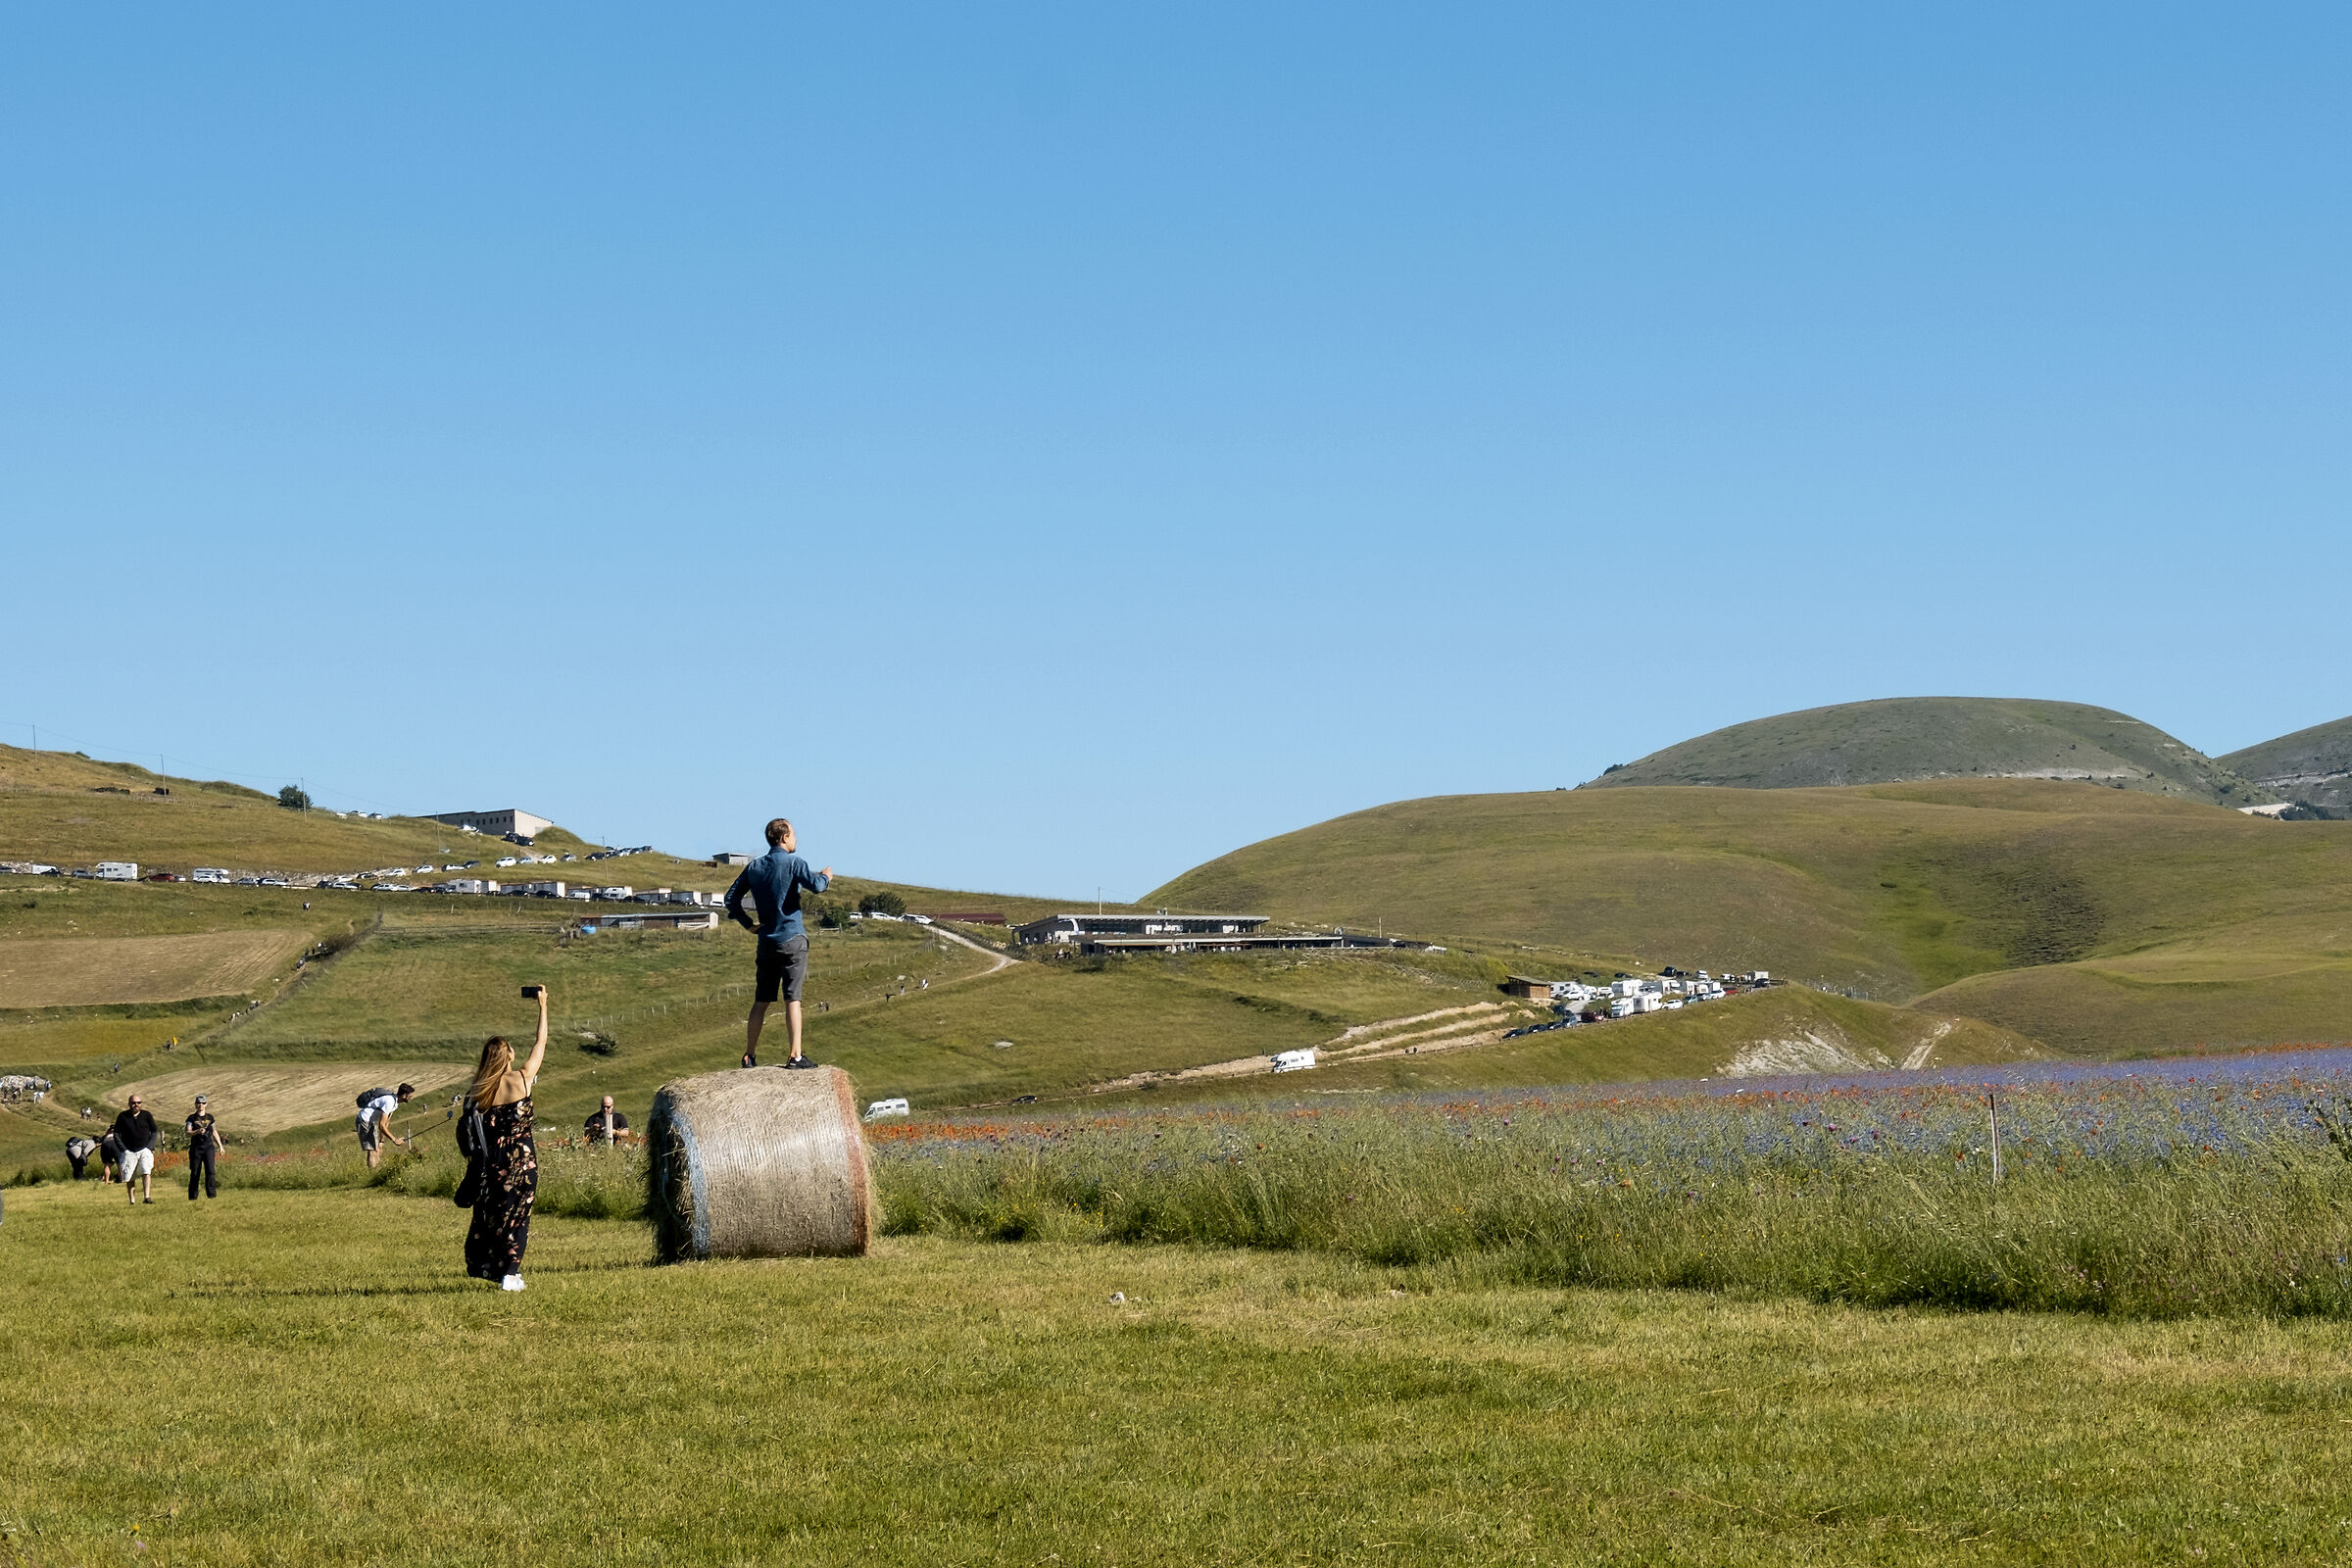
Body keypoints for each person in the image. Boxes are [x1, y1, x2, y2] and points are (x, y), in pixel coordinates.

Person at [724, 817, 832, 1068]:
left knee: (761, 1001)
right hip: (792, 939)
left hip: (766, 942)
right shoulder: (795, 863)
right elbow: (817, 887)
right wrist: (826, 877)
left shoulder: (755, 867)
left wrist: (748, 924)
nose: (795, 838)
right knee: (792, 999)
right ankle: (795, 1056)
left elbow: (731, 899)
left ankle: (749, 1055)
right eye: (793, 834)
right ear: (784, 837)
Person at [465, 984, 550, 1291]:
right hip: (521, 1160)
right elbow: (541, 1042)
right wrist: (542, 1005)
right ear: (509, 1055)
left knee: (492, 1216)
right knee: (518, 1216)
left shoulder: (478, 1091)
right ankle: (511, 1273)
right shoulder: (522, 1079)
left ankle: (488, 1267)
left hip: (493, 1163)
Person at [356, 1083, 416, 1169]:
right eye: (409, 1096)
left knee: (377, 1149)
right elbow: (381, 1125)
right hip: (364, 1119)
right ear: (404, 1095)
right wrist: (394, 1139)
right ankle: (372, 1172)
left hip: (370, 1121)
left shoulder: (395, 1103)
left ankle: (375, 1170)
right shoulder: (390, 1101)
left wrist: (381, 1142)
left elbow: (386, 1123)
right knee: (372, 1150)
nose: (410, 1098)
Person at [112, 1094, 159, 1204]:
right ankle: (132, 1200)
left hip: (144, 1149)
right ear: (129, 1104)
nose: (136, 1105)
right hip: (129, 1151)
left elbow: (154, 1131)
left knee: (146, 1171)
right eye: (133, 1103)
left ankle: (147, 1197)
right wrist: (123, 1149)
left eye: (138, 1103)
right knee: (129, 1176)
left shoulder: (146, 1115)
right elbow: (116, 1133)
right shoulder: (123, 1116)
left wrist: (150, 1147)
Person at [184, 1094, 222, 1200]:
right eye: (198, 1103)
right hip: (196, 1148)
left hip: (208, 1148)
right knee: (195, 1172)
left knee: (210, 1172)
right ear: (195, 1104)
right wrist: (197, 1131)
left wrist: (220, 1146)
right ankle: (193, 1197)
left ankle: (211, 1195)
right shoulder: (191, 1118)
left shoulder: (210, 1117)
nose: (201, 1105)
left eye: (203, 1103)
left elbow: (214, 1131)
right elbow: (187, 1133)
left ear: (206, 1104)